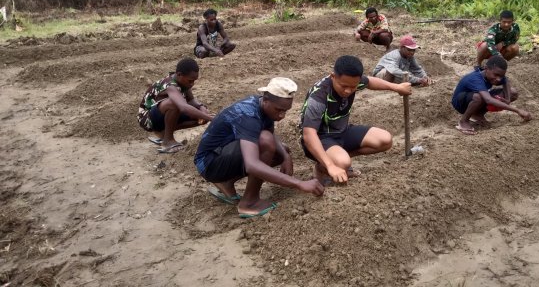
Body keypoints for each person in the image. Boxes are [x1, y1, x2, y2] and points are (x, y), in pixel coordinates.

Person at [194, 78, 324, 218]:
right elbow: (251, 165)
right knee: (266, 142)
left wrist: (286, 157)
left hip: (222, 154)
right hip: (208, 163)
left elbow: (270, 132)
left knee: (280, 150)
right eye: (279, 110)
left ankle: (226, 182)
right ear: (266, 100)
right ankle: (249, 203)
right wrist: (299, 184)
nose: (282, 115)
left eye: (285, 111)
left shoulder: (263, 106)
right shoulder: (248, 115)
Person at [301, 55, 412, 185]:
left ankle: (338, 158)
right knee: (343, 162)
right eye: (343, 86)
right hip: (321, 138)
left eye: (353, 87)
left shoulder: (352, 81)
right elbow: (309, 135)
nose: (348, 91)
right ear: (333, 76)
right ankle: (323, 167)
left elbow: (370, 81)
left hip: (342, 131)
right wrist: (330, 165)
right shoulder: (318, 96)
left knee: (385, 140)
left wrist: (396, 87)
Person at [137, 58, 214, 153]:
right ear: (179, 74)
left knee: (201, 118)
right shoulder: (170, 86)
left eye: (194, 81)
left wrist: (203, 108)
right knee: (173, 104)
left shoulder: (183, 83)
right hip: (147, 119)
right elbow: (184, 107)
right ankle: (168, 141)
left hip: (161, 115)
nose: (192, 84)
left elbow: (191, 100)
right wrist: (212, 118)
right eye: (190, 81)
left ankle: (163, 134)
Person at [451, 55, 532, 135]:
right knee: (479, 97)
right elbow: (488, 99)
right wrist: (517, 110)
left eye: (501, 76)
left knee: (512, 93)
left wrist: (507, 99)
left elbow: (505, 80)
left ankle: (477, 115)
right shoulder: (475, 78)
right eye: (496, 75)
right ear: (486, 68)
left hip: (476, 98)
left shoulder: (492, 75)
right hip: (460, 103)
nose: (498, 79)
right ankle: (463, 121)